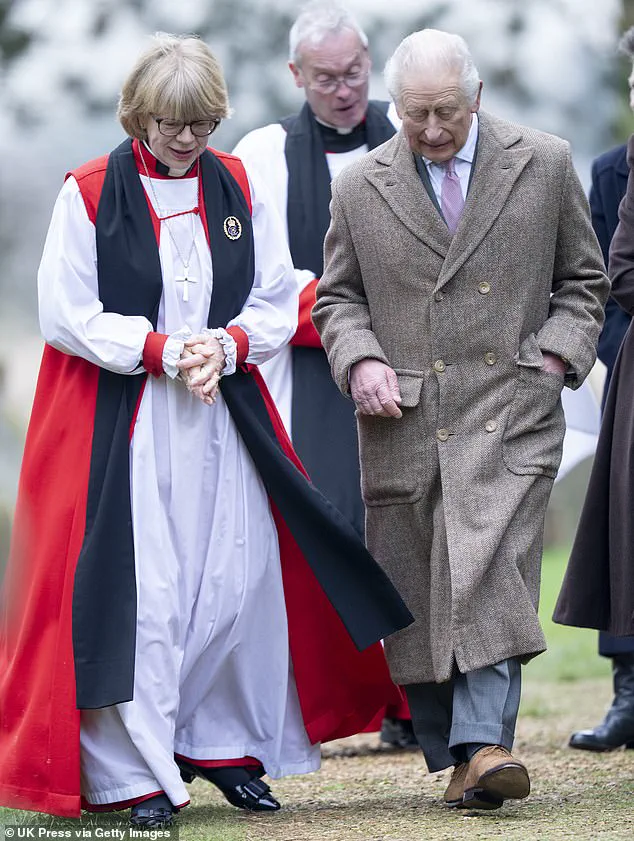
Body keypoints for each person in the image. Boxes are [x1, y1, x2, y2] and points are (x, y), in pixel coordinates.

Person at [0, 33, 413, 828]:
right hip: (125, 423)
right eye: (169, 124)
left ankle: (218, 741)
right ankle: (128, 772)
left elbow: (271, 291)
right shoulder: (87, 193)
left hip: (224, 412)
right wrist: (159, 349)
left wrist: (225, 344)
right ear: (138, 115)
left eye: (200, 124)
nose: (186, 141)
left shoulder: (234, 182)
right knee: (145, 598)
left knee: (235, 584)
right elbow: (66, 313)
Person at [313, 28, 608, 811]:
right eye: (415, 115)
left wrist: (555, 355)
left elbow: (585, 281)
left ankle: (485, 746)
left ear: (476, 97)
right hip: (404, 417)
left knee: (489, 572)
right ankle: (458, 757)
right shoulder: (359, 184)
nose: (434, 129)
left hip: (510, 408)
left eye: (446, 110)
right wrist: (361, 359)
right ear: (394, 107)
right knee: (418, 594)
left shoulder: (542, 162)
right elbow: (337, 299)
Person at [233, 1, 414, 748]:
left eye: (355, 73)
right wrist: (344, 322)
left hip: (405, 362)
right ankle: (329, 703)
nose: (344, 91)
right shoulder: (266, 152)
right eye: (325, 78)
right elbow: (257, 277)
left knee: (405, 526)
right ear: (295, 75)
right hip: (307, 367)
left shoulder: (408, 133)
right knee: (329, 526)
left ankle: (414, 702)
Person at [553, 35, 634, 747]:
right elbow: (600, 280)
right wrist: (614, 356)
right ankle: (628, 694)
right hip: (631, 375)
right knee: (622, 528)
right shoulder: (610, 172)